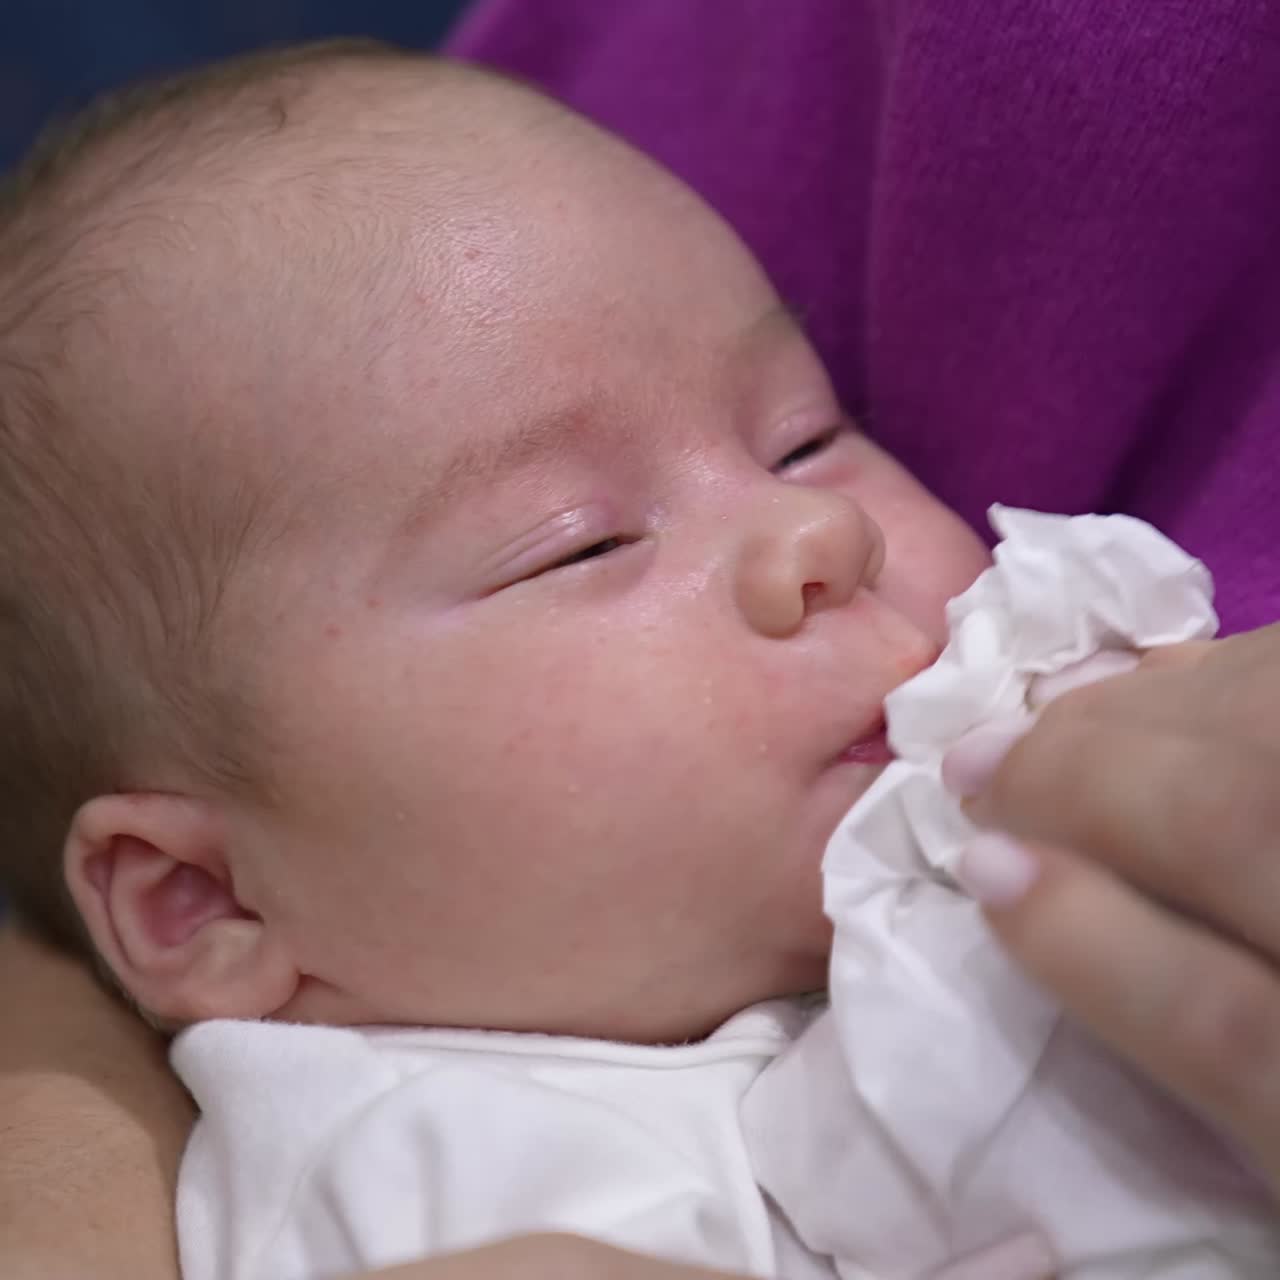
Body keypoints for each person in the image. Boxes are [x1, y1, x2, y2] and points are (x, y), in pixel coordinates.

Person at [4, 4, 1280, 1279]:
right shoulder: (433, 1168)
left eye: (806, 431)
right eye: (579, 542)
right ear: (206, 901)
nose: (814, 530)